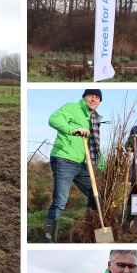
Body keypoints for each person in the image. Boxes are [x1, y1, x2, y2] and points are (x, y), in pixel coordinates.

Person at [46, 90, 105, 242]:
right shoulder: (72, 108)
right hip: (63, 159)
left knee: (97, 195)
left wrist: (102, 162)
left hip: (80, 163)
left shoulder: (94, 118)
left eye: (97, 97)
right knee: (60, 201)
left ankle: (89, 228)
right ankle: (50, 238)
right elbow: (53, 119)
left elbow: (94, 144)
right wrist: (72, 130)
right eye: (91, 96)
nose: (94, 99)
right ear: (84, 97)